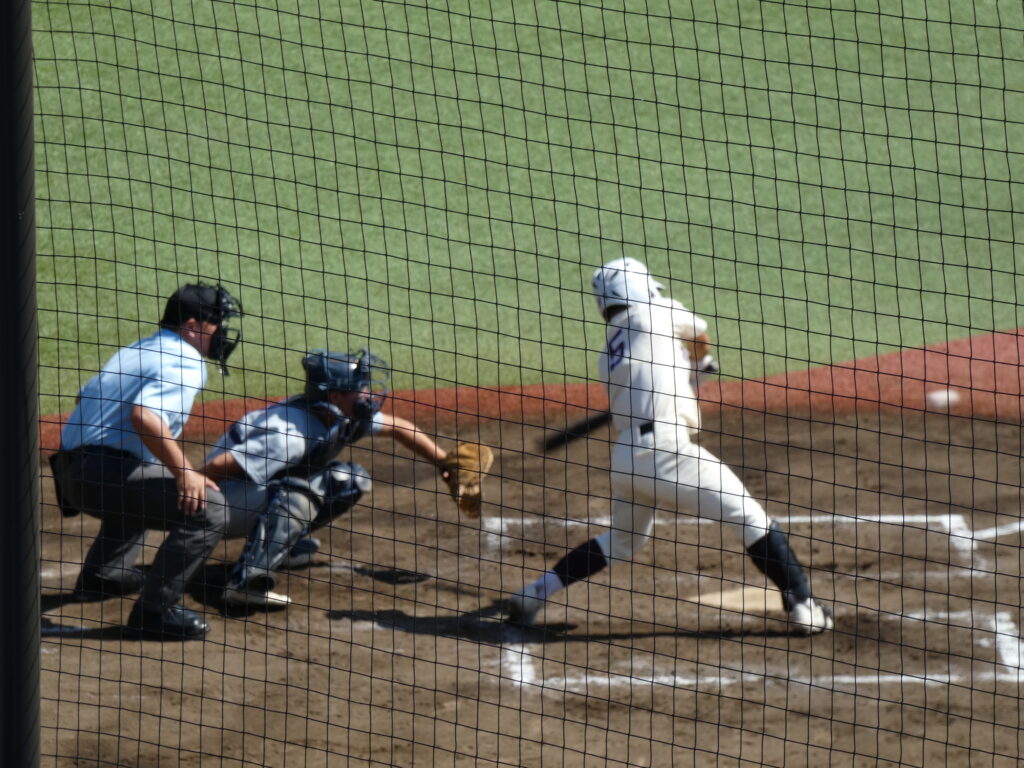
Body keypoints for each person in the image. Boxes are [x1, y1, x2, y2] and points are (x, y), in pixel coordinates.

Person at [507, 258, 834, 634]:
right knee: (749, 518)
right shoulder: (656, 311)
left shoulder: (609, 353)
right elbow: (699, 333)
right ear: (640, 288)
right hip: (666, 451)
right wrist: (702, 361)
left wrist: (687, 374)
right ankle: (803, 605)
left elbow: (654, 380)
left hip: (627, 458)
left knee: (621, 542)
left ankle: (534, 593)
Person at [51, 283, 244, 640]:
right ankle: (154, 612)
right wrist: (185, 473)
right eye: (217, 323)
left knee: (146, 472)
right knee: (210, 508)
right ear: (192, 326)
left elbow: (84, 398)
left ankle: (103, 577)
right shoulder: (186, 360)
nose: (222, 332)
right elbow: (145, 417)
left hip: (71, 474)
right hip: (99, 475)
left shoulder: (138, 350)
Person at [204, 348, 453, 608]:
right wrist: (190, 493)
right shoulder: (290, 435)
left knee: (347, 480)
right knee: (297, 493)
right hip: (215, 508)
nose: (369, 395)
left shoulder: (340, 414)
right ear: (335, 396)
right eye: (361, 389)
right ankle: (245, 584)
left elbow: (397, 427)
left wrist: (445, 463)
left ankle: (281, 549)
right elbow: (215, 468)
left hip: (248, 498)